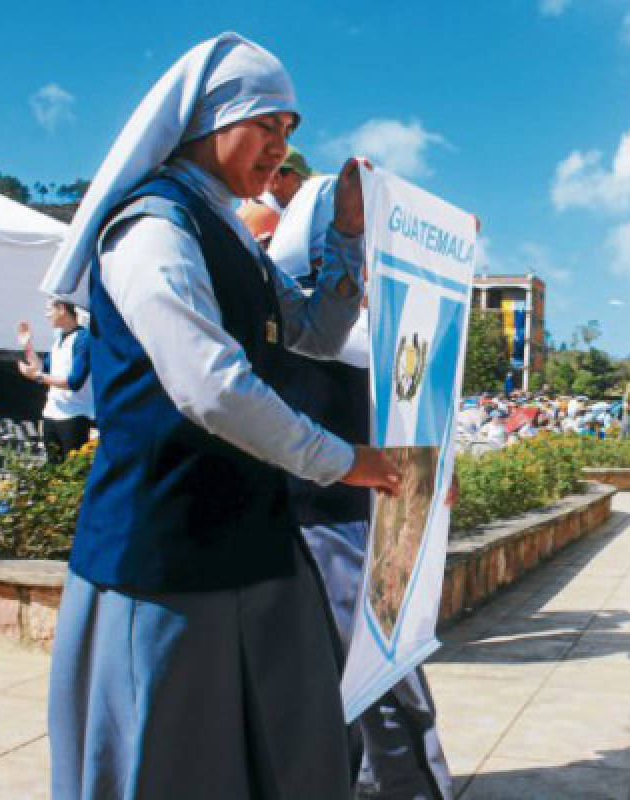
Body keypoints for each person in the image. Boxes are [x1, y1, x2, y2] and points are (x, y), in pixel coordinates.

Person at [38, 34, 403, 800]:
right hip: (167, 555)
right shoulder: (152, 229)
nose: (280, 145)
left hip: (250, 539)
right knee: (168, 762)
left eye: (291, 131)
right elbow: (211, 388)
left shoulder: (228, 227)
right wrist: (346, 461)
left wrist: (346, 233)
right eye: (267, 123)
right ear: (211, 116)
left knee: (281, 750)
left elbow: (313, 332)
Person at [259, 161, 453, 800]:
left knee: (379, 677)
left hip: (358, 522)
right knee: (379, 682)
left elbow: (407, 413)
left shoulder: (366, 328)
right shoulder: (312, 327)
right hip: (330, 524)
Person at [17, 300, 93, 462]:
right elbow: (44, 369)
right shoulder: (58, 340)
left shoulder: (83, 338)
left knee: (73, 472)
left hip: (74, 416)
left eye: (49, 310)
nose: (46, 315)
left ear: (62, 309)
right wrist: (28, 346)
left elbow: (74, 382)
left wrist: (38, 377)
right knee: (53, 470)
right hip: (51, 414)